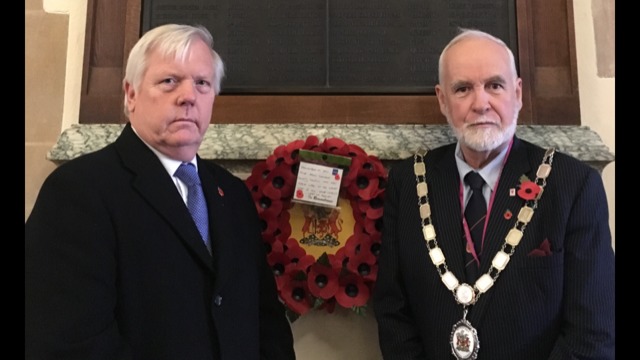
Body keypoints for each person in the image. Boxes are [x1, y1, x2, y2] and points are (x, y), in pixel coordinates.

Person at [25, 23, 296, 360]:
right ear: (131, 94)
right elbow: (68, 342)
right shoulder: (79, 191)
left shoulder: (233, 194)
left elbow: (266, 323)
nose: (188, 96)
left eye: (202, 83)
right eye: (169, 81)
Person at [372, 28, 614, 359]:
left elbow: (593, 331)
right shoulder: (409, 183)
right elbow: (392, 310)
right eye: (463, 89)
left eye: (494, 86)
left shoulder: (572, 185)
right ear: (443, 99)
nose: (480, 103)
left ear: (517, 93)